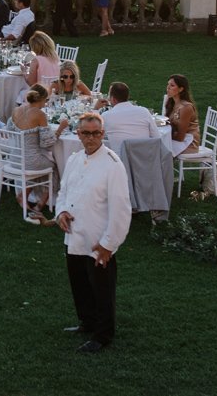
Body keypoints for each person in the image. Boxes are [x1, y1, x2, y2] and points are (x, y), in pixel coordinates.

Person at [55, 112, 131, 353]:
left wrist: (109, 244)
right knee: (79, 283)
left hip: (99, 240)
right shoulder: (74, 159)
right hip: (75, 236)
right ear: (78, 134)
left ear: (103, 134)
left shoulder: (112, 165)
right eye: (85, 133)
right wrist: (62, 212)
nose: (91, 138)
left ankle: (103, 334)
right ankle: (86, 322)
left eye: (95, 133)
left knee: (102, 289)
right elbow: (63, 192)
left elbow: (121, 209)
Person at [9, 84, 67, 221]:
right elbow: (47, 142)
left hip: (15, 159)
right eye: (46, 101)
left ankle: (23, 194)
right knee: (54, 166)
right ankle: (41, 204)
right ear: (42, 100)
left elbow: (9, 130)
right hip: (30, 161)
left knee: (40, 161)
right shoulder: (40, 114)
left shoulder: (16, 110)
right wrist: (60, 128)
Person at [164, 74, 200, 156]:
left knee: (158, 148)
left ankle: (161, 168)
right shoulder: (172, 103)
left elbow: (180, 137)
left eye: (172, 85)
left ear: (181, 89)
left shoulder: (186, 108)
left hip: (188, 143)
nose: (168, 87)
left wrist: (164, 138)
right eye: (168, 84)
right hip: (178, 139)